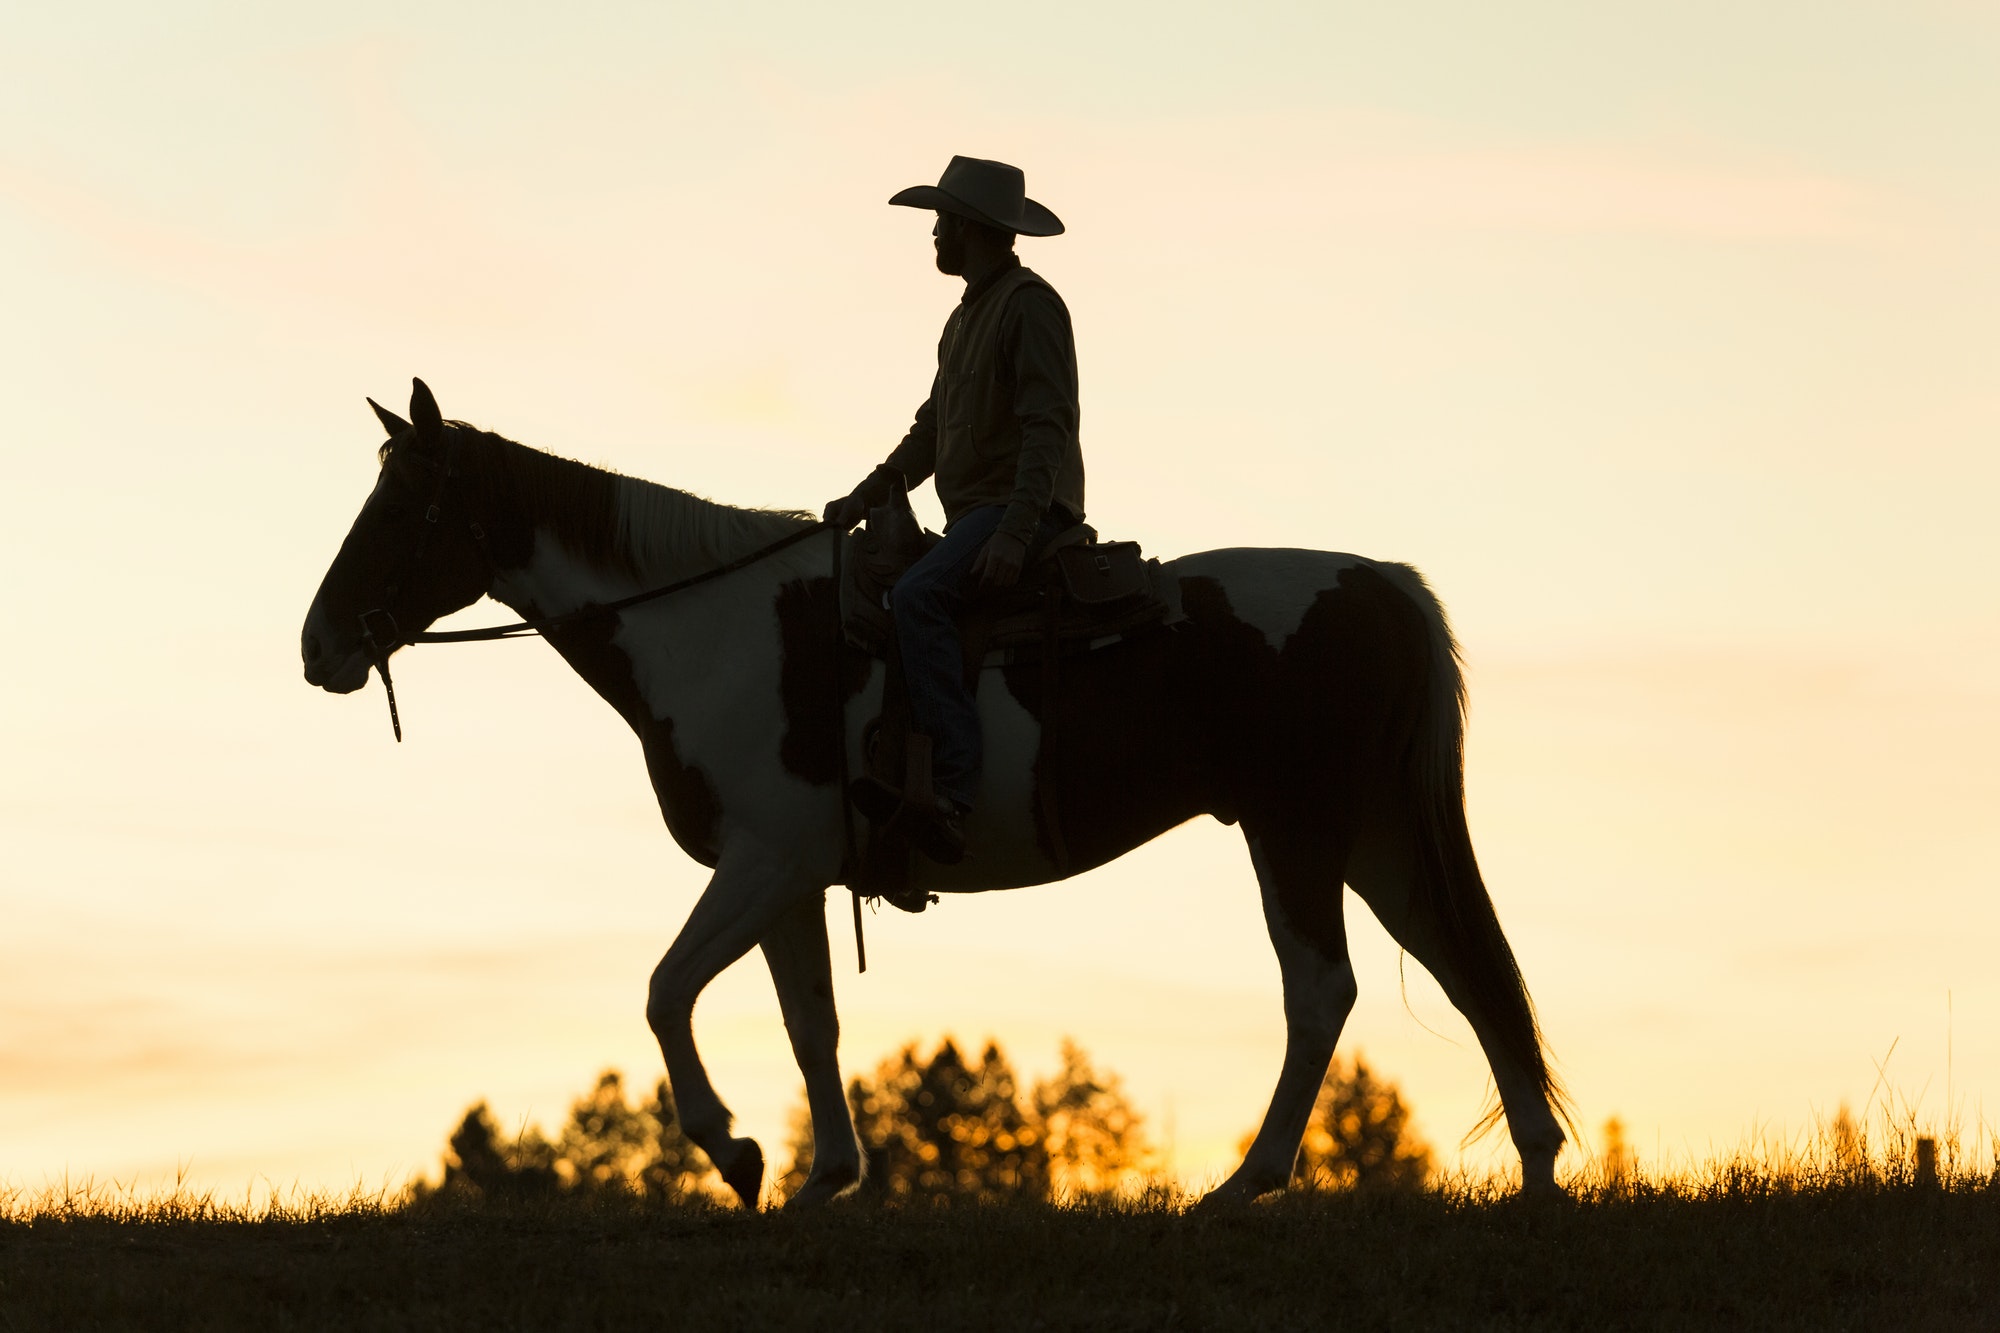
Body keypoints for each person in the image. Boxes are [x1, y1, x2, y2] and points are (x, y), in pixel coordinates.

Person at [824, 155, 1085, 865]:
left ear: (968, 227)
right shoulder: (964, 319)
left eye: (940, 221)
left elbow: (1046, 427)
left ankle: (950, 785)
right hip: (981, 514)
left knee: (917, 594)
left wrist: (1014, 530)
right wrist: (868, 494)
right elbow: (930, 433)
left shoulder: (1029, 304)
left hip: (1014, 512)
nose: (933, 234)